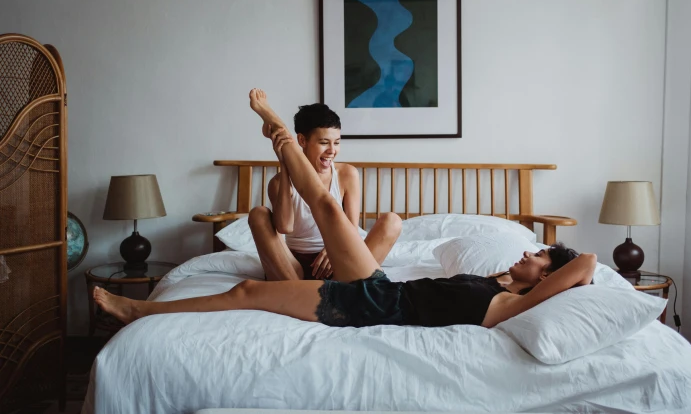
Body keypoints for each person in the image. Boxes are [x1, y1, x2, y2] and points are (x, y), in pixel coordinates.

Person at [94, 89, 597, 329]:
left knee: (323, 224)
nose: (527, 251)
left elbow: (588, 263)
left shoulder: (517, 303)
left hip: (377, 304)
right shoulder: (499, 285)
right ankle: (141, 308)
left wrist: (558, 275)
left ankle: (278, 134)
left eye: (537, 254)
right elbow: (285, 225)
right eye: (534, 247)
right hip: (379, 291)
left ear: (546, 276)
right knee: (248, 285)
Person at [247, 103, 394, 280]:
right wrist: (285, 165)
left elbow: (351, 229)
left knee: (392, 222)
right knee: (258, 214)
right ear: (302, 141)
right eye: (324, 143)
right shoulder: (278, 182)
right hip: (293, 267)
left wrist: (331, 249)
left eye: (337, 143)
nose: (332, 151)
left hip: (336, 260)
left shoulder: (347, 174)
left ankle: (335, 287)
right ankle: (299, 290)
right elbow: (285, 227)